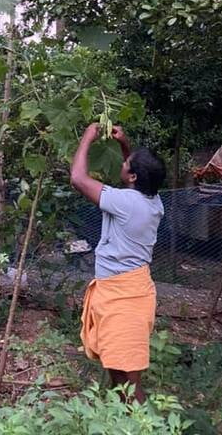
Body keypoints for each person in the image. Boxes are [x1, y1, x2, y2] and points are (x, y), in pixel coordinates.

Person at [70, 123, 166, 403]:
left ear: (133, 176)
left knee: (129, 378)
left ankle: (141, 426)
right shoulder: (153, 201)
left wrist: (87, 136)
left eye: (126, 162)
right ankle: (121, 420)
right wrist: (125, 144)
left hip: (125, 297)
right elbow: (135, 174)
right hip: (123, 291)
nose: (123, 162)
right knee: (116, 367)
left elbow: (78, 178)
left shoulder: (125, 203)